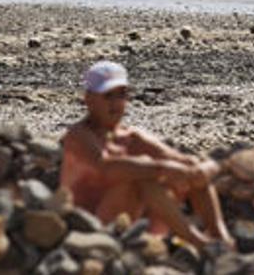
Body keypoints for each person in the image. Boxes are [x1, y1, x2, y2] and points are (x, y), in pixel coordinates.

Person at [59, 62, 233, 248]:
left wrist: (198, 171)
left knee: (189, 174)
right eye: (108, 96)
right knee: (142, 176)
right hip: (89, 232)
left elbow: (185, 161)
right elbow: (106, 167)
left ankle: (221, 238)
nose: (116, 103)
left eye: (122, 95)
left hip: (133, 224)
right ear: (89, 99)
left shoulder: (131, 136)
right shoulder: (79, 135)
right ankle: (199, 242)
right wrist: (163, 169)